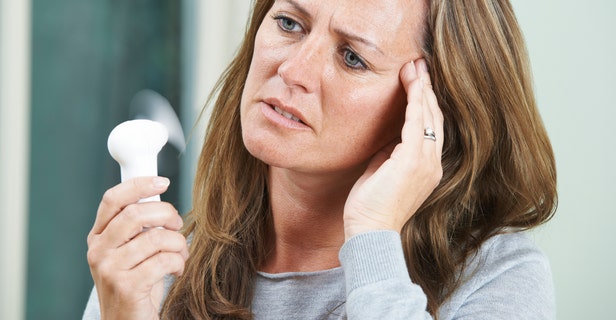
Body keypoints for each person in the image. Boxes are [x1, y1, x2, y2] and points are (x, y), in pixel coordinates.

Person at [84, 0, 557, 319]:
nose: (293, 69)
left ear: (429, 109)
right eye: (289, 23)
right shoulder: (157, 269)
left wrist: (374, 236)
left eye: (352, 57)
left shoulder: (496, 280)